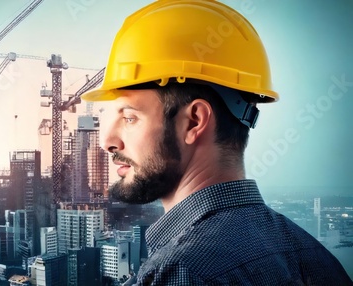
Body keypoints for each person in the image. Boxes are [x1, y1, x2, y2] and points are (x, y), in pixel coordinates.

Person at [81, 0, 353, 285]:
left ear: (194, 121)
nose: (108, 142)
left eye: (130, 118)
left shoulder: (183, 271)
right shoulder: (314, 256)